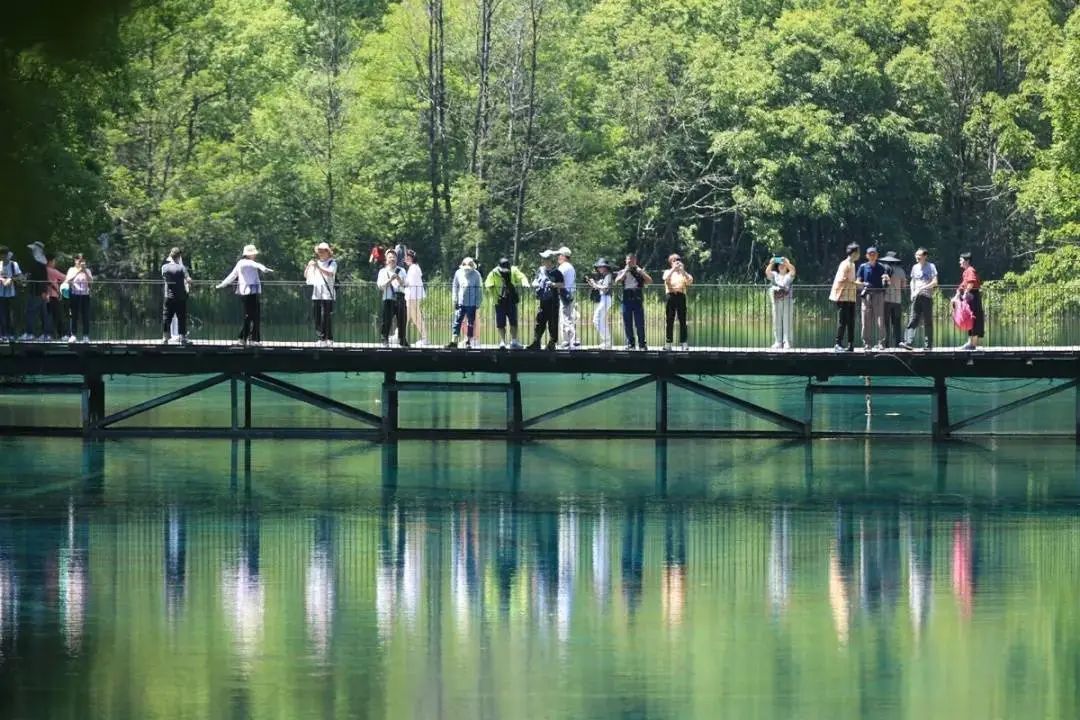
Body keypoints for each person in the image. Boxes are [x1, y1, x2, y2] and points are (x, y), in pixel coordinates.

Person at [216, 244, 273, 345]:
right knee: (251, 316)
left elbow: (232, 276)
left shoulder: (242, 263)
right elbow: (256, 265)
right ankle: (248, 339)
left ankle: (247, 339)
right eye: (253, 254)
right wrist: (264, 269)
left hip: (251, 292)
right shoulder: (244, 262)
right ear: (249, 255)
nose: (255, 255)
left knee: (252, 316)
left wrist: (223, 284)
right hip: (249, 293)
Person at [484, 257, 530, 349]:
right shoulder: (494, 272)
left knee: (514, 321)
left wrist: (525, 282)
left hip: (511, 299)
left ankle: (514, 341)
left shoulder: (513, 270)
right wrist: (495, 293)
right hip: (499, 301)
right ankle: (502, 342)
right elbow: (487, 284)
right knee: (501, 323)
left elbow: (522, 276)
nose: (506, 271)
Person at [899, 248, 938, 351]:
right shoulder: (915, 267)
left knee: (927, 321)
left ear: (925, 256)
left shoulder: (931, 266)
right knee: (913, 319)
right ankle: (908, 342)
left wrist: (922, 288)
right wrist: (913, 292)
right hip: (916, 296)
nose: (917, 257)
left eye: (919, 255)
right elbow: (912, 281)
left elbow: (935, 282)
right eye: (916, 255)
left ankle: (928, 345)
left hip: (926, 296)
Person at [614, 254, 651, 350]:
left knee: (640, 323)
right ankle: (631, 344)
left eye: (632, 260)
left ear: (636, 261)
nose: (630, 262)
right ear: (626, 261)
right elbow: (617, 281)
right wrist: (625, 271)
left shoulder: (639, 271)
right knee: (627, 322)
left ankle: (642, 344)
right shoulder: (623, 271)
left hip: (637, 297)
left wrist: (641, 272)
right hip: (627, 297)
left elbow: (649, 281)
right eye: (629, 260)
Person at [855, 246, 890, 350]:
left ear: (877, 255)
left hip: (879, 294)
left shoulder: (881, 267)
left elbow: (887, 281)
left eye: (874, 254)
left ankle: (881, 343)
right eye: (870, 254)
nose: (872, 255)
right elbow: (857, 282)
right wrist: (863, 284)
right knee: (865, 320)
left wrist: (887, 280)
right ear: (866, 256)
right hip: (866, 296)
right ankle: (867, 343)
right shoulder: (863, 267)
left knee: (880, 319)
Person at [527, 250, 561, 350]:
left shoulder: (557, 272)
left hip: (553, 300)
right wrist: (534, 284)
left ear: (550, 260)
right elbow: (535, 280)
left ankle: (552, 343)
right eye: (543, 259)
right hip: (543, 300)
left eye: (545, 259)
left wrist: (553, 284)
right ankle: (536, 342)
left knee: (552, 322)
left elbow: (562, 284)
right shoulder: (540, 269)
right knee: (540, 321)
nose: (543, 260)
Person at [829, 243, 859, 352]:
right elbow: (841, 278)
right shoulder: (845, 264)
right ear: (854, 253)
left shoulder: (853, 264)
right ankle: (838, 343)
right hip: (842, 296)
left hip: (851, 297)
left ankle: (851, 345)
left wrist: (855, 283)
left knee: (851, 321)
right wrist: (855, 283)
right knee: (843, 321)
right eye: (858, 252)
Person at [306, 242, 337, 346]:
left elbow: (330, 273)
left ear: (328, 252)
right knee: (317, 316)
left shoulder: (332, 263)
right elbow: (307, 276)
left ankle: (328, 338)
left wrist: (318, 267)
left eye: (323, 251)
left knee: (326, 316)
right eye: (319, 251)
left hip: (327, 294)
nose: (320, 253)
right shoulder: (316, 262)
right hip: (317, 293)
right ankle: (321, 338)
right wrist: (308, 266)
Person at [448, 257, 483, 349]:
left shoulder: (476, 274)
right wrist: (454, 299)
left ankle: (468, 342)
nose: (467, 269)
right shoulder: (458, 273)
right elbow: (455, 286)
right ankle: (454, 341)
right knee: (457, 322)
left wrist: (478, 303)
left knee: (470, 323)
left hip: (472, 304)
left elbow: (479, 290)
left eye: (469, 267)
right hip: (460, 302)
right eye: (465, 267)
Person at [377, 249, 408, 348]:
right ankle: (384, 339)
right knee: (386, 320)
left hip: (400, 297)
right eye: (390, 257)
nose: (392, 259)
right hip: (388, 298)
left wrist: (399, 279)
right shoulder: (383, 271)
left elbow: (406, 284)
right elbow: (380, 286)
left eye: (394, 257)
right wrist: (390, 280)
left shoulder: (402, 270)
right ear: (386, 259)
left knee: (402, 320)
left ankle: (402, 340)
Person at [662, 253, 693, 350]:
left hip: (681, 296)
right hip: (671, 296)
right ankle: (668, 343)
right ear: (671, 262)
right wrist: (673, 270)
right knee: (669, 320)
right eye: (675, 260)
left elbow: (690, 281)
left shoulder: (683, 273)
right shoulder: (667, 271)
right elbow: (665, 278)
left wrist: (683, 271)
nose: (677, 262)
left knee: (683, 320)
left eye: (678, 260)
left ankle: (684, 343)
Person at [764, 255, 795, 349]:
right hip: (776, 300)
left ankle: (787, 342)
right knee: (776, 321)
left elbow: (793, 271)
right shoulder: (775, 274)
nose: (782, 266)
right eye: (780, 264)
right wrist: (772, 262)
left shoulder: (789, 275)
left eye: (783, 265)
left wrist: (787, 262)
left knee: (787, 321)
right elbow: (767, 272)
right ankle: (778, 341)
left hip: (787, 300)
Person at [161, 247, 191, 344]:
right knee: (181, 317)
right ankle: (182, 338)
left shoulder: (164, 268)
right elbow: (189, 279)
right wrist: (189, 285)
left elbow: (164, 277)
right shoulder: (182, 268)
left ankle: (165, 338)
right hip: (181, 297)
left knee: (166, 317)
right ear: (179, 257)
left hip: (168, 297)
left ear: (170, 256)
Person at [20, 241, 49, 341]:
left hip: (37, 292)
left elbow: (43, 278)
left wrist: (43, 292)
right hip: (34, 290)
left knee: (32, 312)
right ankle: (41, 333)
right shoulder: (37, 262)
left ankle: (31, 333)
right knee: (36, 312)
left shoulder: (40, 264)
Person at [63, 253, 94, 342]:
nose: (81, 262)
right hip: (74, 294)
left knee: (85, 315)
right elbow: (68, 280)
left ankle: (85, 335)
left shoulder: (87, 270)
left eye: (82, 260)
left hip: (85, 295)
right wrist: (78, 271)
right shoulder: (71, 269)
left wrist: (84, 272)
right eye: (79, 260)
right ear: (75, 261)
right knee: (74, 315)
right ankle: (73, 335)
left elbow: (91, 282)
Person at [880, 251, 907, 348]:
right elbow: (903, 286)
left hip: (886, 300)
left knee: (885, 323)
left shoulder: (883, 269)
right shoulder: (901, 271)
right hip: (897, 300)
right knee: (896, 323)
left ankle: (885, 343)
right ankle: (897, 343)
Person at [958, 252, 984, 350]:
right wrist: (958, 295)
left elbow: (971, 282)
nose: (959, 262)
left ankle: (972, 344)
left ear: (967, 261)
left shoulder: (970, 270)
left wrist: (966, 293)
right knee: (970, 319)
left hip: (973, 296)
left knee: (974, 318)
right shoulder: (966, 271)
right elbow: (963, 284)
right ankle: (971, 343)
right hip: (971, 296)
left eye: (961, 260)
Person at [553, 246, 578, 349]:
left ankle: (570, 341)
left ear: (564, 256)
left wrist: (552, 284)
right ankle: (571, 340)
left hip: (565, 294)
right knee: (569, 317)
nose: (558, 257)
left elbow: (560, 281)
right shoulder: (570, 267)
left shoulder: (563, 267)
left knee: (565, 318)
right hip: (570, 293)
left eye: (559, 255)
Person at [588, 258, 615, 349]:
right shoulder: (604, 276)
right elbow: (600, 287)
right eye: (598, 267)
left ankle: (607, 341)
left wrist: (596, 285)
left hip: (606, 298)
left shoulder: (608, 275)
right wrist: (593, 284)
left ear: (605, 267)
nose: (599, 268)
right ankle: (607, 342)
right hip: (604, 298)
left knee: (596, 319)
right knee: (601, 320)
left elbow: (605, 288)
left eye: (600, 266)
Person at [404, 249, 428, 346]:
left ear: (412, 258)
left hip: (412, 296)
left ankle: (425, 338)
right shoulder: (414, 267)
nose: (406, 259)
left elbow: (410, 283)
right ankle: (399, 335)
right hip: (412, 295)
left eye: (408, 257)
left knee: (416, 317)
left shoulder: (413, 268)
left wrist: (400, 281)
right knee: (406, 316)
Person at [0, 246, 22, 341]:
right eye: (1, 255)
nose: (3, 257)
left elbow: (19, 276)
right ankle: (3, 334)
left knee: (12, 314)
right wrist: (2, 280)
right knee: (2, 314)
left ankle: (12, 334)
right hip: (1, 293)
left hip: (12, 293)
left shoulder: (14, 264)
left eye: (5, 255)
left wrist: (11, 279)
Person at [45, 254, 65, 340]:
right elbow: (64, 277)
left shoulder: (43, 270)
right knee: (57, 316)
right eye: (54, 261)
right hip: (53, 296)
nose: (54, 263)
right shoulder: (52, 271)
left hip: (45, 296)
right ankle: (61, 335)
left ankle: (48, 334)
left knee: (47, 316)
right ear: (50, 262)